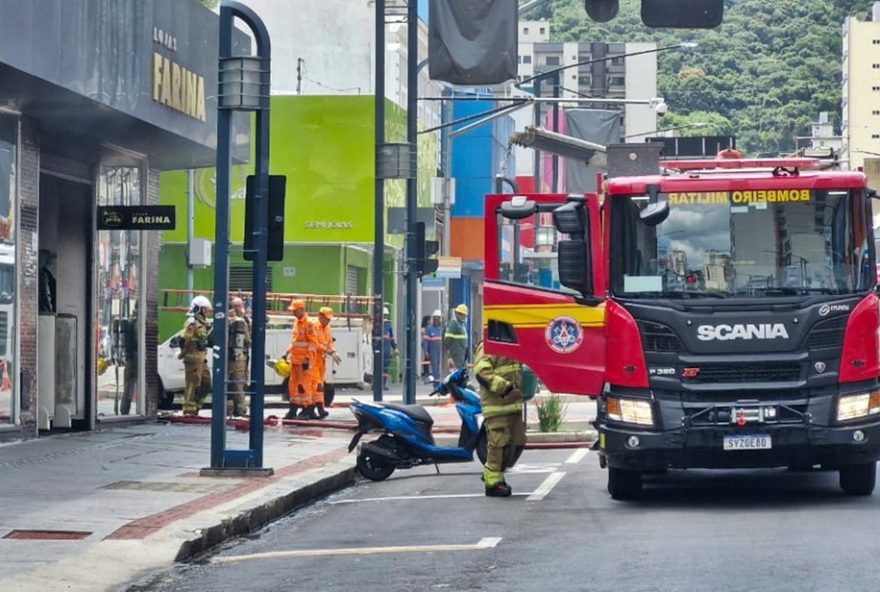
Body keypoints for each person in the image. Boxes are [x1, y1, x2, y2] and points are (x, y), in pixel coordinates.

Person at [473, 343, 526, 497]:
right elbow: (481, 372)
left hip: (512, 405)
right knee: (499, 444)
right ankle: (493, 483)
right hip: (496, 405)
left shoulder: (510, 344)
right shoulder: (488, 345)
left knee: (517, 442)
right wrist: (506, 388)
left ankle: (495, 474)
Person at [285, 299, 319, 420]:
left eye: (295, 310)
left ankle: (307, 409)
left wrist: (307, 359)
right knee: (293, 385)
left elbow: (313, 342)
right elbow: (296, 342)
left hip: (304, 361)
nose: (293, 313)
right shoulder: (297, 321)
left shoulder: (309, 323)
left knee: (304, 386)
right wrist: (287, 353)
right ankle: (293, 410)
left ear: (301, 309)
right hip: (295, 359)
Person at [179, 295, 212, 416]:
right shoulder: (191, 323)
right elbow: (184, 339)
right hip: (192, 359)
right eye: (204, 309)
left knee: (206, 383)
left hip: (202, 359)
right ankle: (189, 410)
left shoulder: (203, 323)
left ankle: (197, 406)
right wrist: (183, 354)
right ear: (198, 309)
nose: (206, 311)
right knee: (193, 385)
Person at [312, 306, 341, 419]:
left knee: (320, 385)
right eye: (326, 318)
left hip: (321, 361)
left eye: (329, 319)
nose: (328, 321)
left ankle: (319, 409)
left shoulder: (327, 328)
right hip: (313, 359)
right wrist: (329, 351)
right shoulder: (314, 326)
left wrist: (334, 351)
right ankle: (314, 409)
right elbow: (314, 344)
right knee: (316, 385)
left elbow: (329, 342)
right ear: (320, 316)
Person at [227, 297, 251, 417]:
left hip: (238, 356)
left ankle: (233, 410)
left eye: (239, 305)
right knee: (237, 384)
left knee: (235, 383)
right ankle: (239, 410)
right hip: (237, 357)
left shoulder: (244, 320)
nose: (237, 308)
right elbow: (247, 339)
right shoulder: (237, 321)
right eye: (235, 306)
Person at [119, 307, 138, 415]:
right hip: (134, 358)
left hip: (130, 358)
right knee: (132, 385)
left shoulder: (131, 323)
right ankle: (126, 410)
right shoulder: (137, 323)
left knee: (129, 386)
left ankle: (124, 410)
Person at [444, 304, 469, 371]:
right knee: (458, 371)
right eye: (460, 313)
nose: (462, 316)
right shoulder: (454, 323)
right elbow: (448, 338)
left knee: (463, 371)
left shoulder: (461, 324)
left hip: (462, 352)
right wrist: (450, 350)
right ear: (456, 313)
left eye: (463, 314)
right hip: (457, 352)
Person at [424, 310, 444, 386]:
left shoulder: (442, 329)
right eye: (435, 318)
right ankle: (436, 384)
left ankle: (440, 382)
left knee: (440, 367)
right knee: (435, 367)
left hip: (441, 351)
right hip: (433, 351)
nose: (436, 320)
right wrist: (426, 351)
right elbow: (425, 341)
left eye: (438, 318)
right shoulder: (429, 329)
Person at [382, 306, 397, 390]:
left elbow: (391, 338)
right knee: (378, 368)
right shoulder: (377, 324)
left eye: (386, 315)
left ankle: (383, 384)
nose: (385, 317)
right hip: (379, 349)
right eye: (384, 315)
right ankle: (376, 384)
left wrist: (395, 348)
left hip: (387, 350)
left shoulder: (388, 325)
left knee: (385, 368)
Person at [38, 249, 57, 314]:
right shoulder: (43, 274)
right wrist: (50, 310)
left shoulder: (44, 273)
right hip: (45, 311)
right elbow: (45, 294)